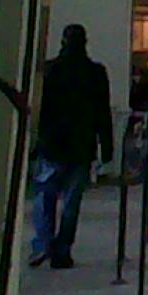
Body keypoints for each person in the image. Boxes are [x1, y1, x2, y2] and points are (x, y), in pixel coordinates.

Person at [30, 23, 113, 269]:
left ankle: (43, 244)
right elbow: (102, 112)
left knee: (45, 196)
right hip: (81, 145)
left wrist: (35, 140)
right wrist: (106, 145)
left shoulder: (51, 70)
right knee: (71, 203)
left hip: (53, 143)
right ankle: (62, 250)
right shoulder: (96, 72)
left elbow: (40, 110)